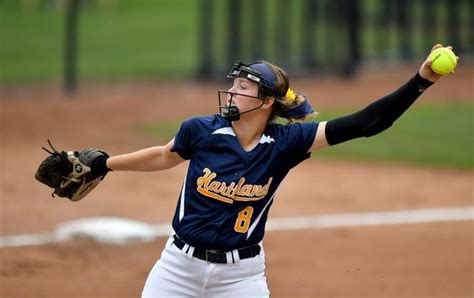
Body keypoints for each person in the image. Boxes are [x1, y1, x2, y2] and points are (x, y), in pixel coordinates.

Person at [87, 44, 456, 297]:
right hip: (177, 267)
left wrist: (422, 79)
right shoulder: (201, 130)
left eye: (241, 86)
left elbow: (366, 123)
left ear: (266, 102)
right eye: (233, 83)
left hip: (240, 276)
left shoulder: (286, 143)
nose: (230, 91)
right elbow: (165, 155)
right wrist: (105, 164)